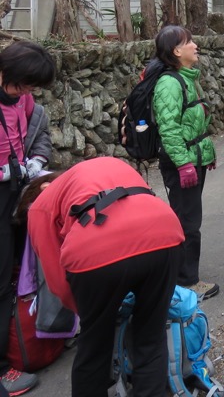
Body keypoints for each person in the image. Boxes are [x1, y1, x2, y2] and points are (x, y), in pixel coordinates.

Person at [22, 158, 184, 397]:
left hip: (96, 252)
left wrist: (87, 312)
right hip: (165, 233)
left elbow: (57, 281)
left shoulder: (39, 206)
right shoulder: (107, 165)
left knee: (95, 346)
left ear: (40, 189)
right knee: (151, 336)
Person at [0, 41, 55, 397]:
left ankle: (25, 343)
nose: (26, 93)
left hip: (18, 192)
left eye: (32, 88)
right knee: (2, 279)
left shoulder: (26, 102)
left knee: (22, 273)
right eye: (22, 85)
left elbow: (40, 136)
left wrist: (35, 159)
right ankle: (2, 370)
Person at [152, 25, 218, 299]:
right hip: (183, 164)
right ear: (176, 51)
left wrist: (206, 155)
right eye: (189, 42)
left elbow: (193, 124)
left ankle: (181, 277)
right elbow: (169, 129)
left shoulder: (187, 77)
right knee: (187, 223)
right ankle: (186, 283)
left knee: (188, 218)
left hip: (193, 160)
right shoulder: (170, 83)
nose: (195, 45)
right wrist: (184, 164)